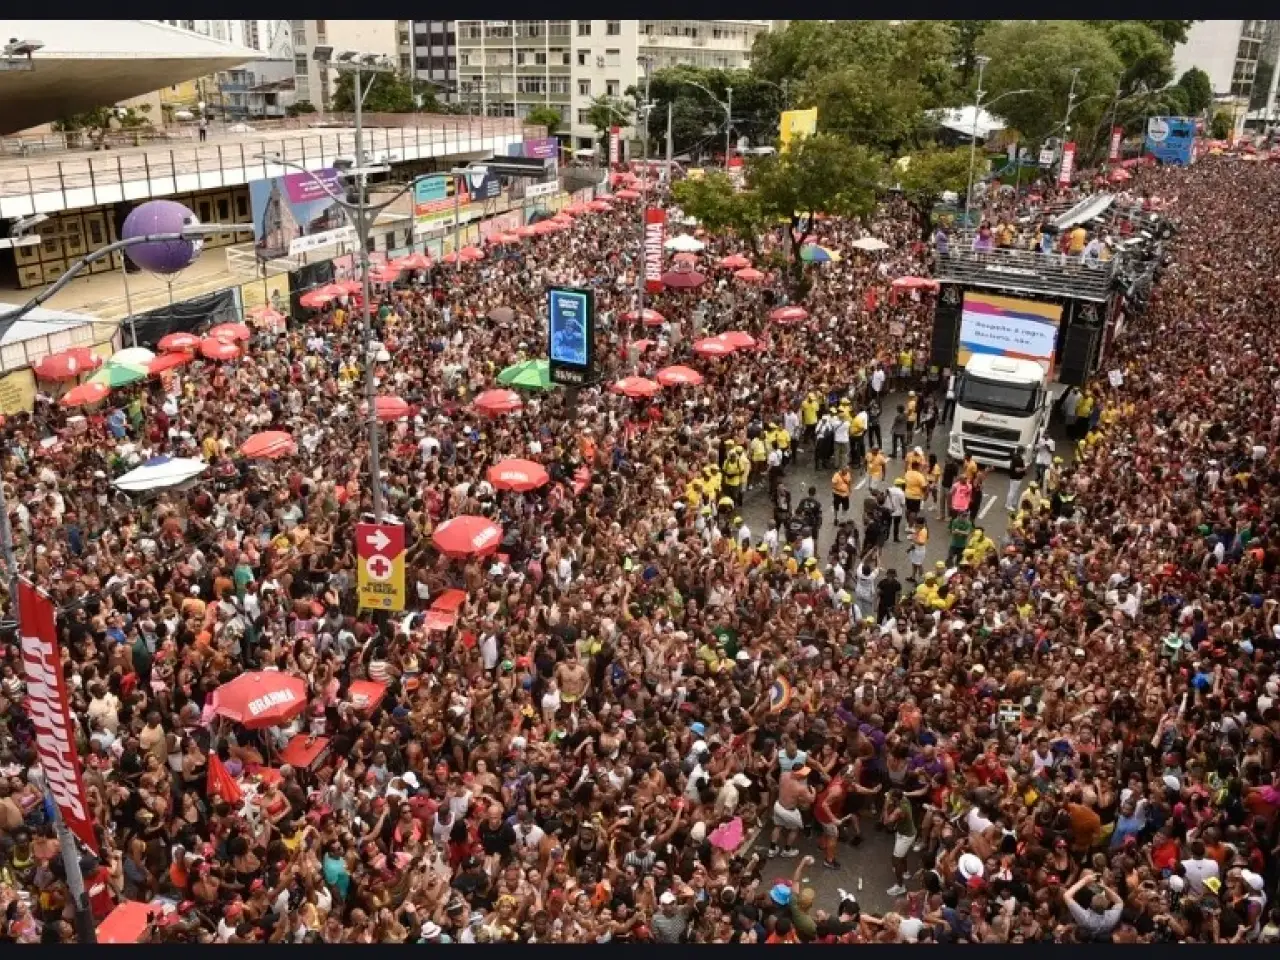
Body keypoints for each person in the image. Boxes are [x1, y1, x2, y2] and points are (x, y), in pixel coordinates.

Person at [883, 787, 916, 898]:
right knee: (903, 855)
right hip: (906, 832)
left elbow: (886, 822)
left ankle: (900, 886)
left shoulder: (900, 810)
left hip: (905, 836)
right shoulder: (904, 799)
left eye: (890, 797)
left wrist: (886, 805)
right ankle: (905, 872)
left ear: (895, 799)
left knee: (895, 860)